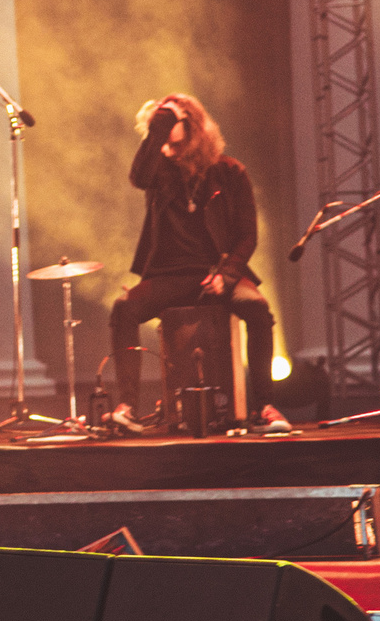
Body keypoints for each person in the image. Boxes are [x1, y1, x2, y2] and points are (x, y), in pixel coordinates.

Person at [106, 93, 276, 431]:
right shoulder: (159, 173)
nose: (166, 125)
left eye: (174, 120)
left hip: (216, 272)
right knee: (123, 309)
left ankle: (266, 407)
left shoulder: (229, 172)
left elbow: (247, 236)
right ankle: (127, 407)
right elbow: (138, 176)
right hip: (168, 277)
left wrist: (227, 276)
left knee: (258, 309)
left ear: (194, 124)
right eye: (159, 121)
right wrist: (159, 126)